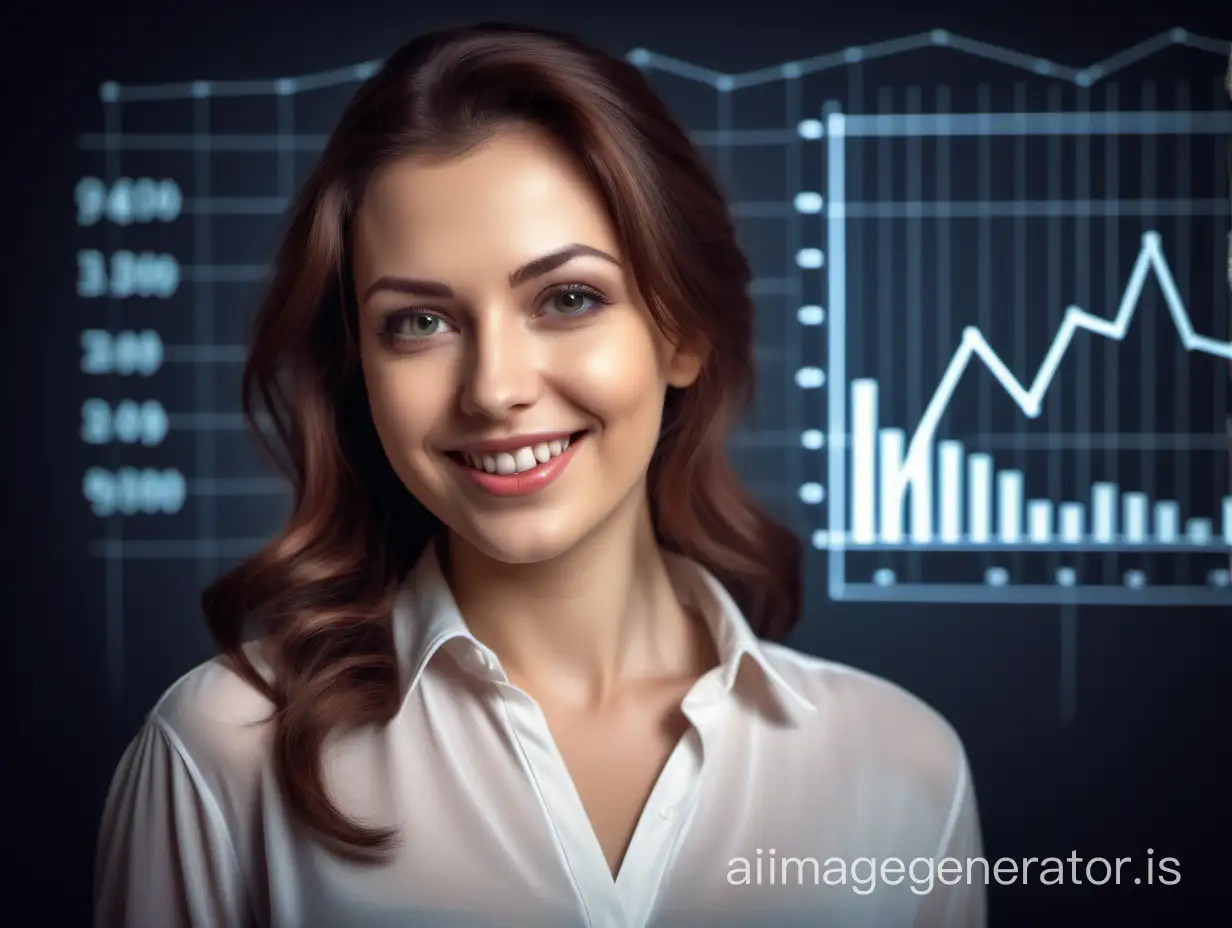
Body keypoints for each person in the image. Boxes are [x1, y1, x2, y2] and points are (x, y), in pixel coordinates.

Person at [93, 21, 985, 928]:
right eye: (419, 323)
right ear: (359, 367)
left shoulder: (903, 767)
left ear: (681, 332)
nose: (495, 390)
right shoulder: (222, 753)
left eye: (568, 299)